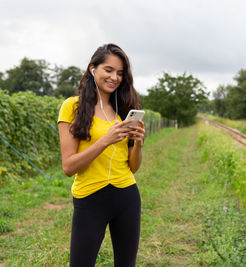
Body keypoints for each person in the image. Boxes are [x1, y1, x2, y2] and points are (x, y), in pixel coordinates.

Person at [57, 43, 145, 266]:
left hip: (127, 196)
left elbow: (133, 167)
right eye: (109, 70)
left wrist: (138, 144)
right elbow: (68, 167)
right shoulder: (72, 107)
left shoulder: (125, 109)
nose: (114, 77)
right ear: (92, 69)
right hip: (90, 198)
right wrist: (106, 140)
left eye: (120, 73)